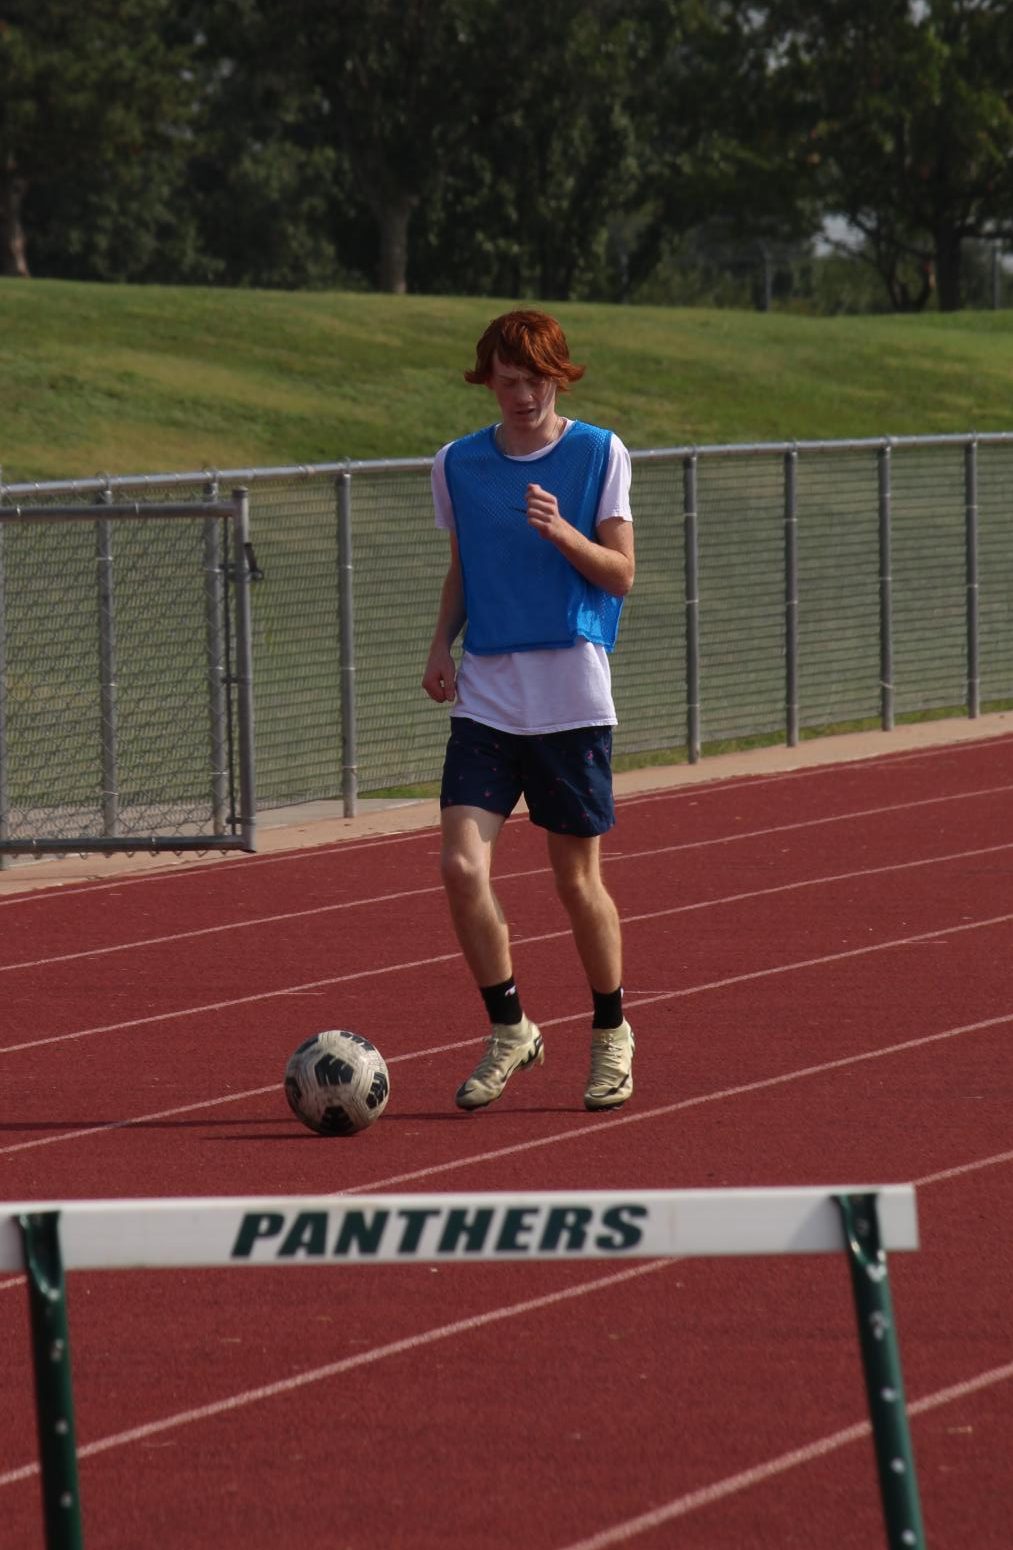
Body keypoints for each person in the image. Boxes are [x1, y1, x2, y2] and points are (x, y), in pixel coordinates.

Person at [421, 309, 636, 1114]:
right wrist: (441, 644)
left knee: (576, 884)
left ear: (558, 376)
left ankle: (611, 1030)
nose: (520, 396)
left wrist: (561, 533)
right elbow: (461, 570)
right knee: (458, 866)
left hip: (570, 694)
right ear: (488, 384)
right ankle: (509, 1026)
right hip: (487, 695)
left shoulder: (598, 452)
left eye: (534, 380)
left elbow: (619, 575)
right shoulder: (456, 464)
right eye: (505, 382)